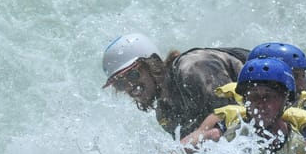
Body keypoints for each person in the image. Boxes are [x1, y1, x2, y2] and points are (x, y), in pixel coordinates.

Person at [102, 33, 250, 138]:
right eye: (120, 84)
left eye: (133, 75)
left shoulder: (193, 67)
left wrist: (197, 136)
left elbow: (231, 114)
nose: (130, 86)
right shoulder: (165, 113)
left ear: (151, 63)